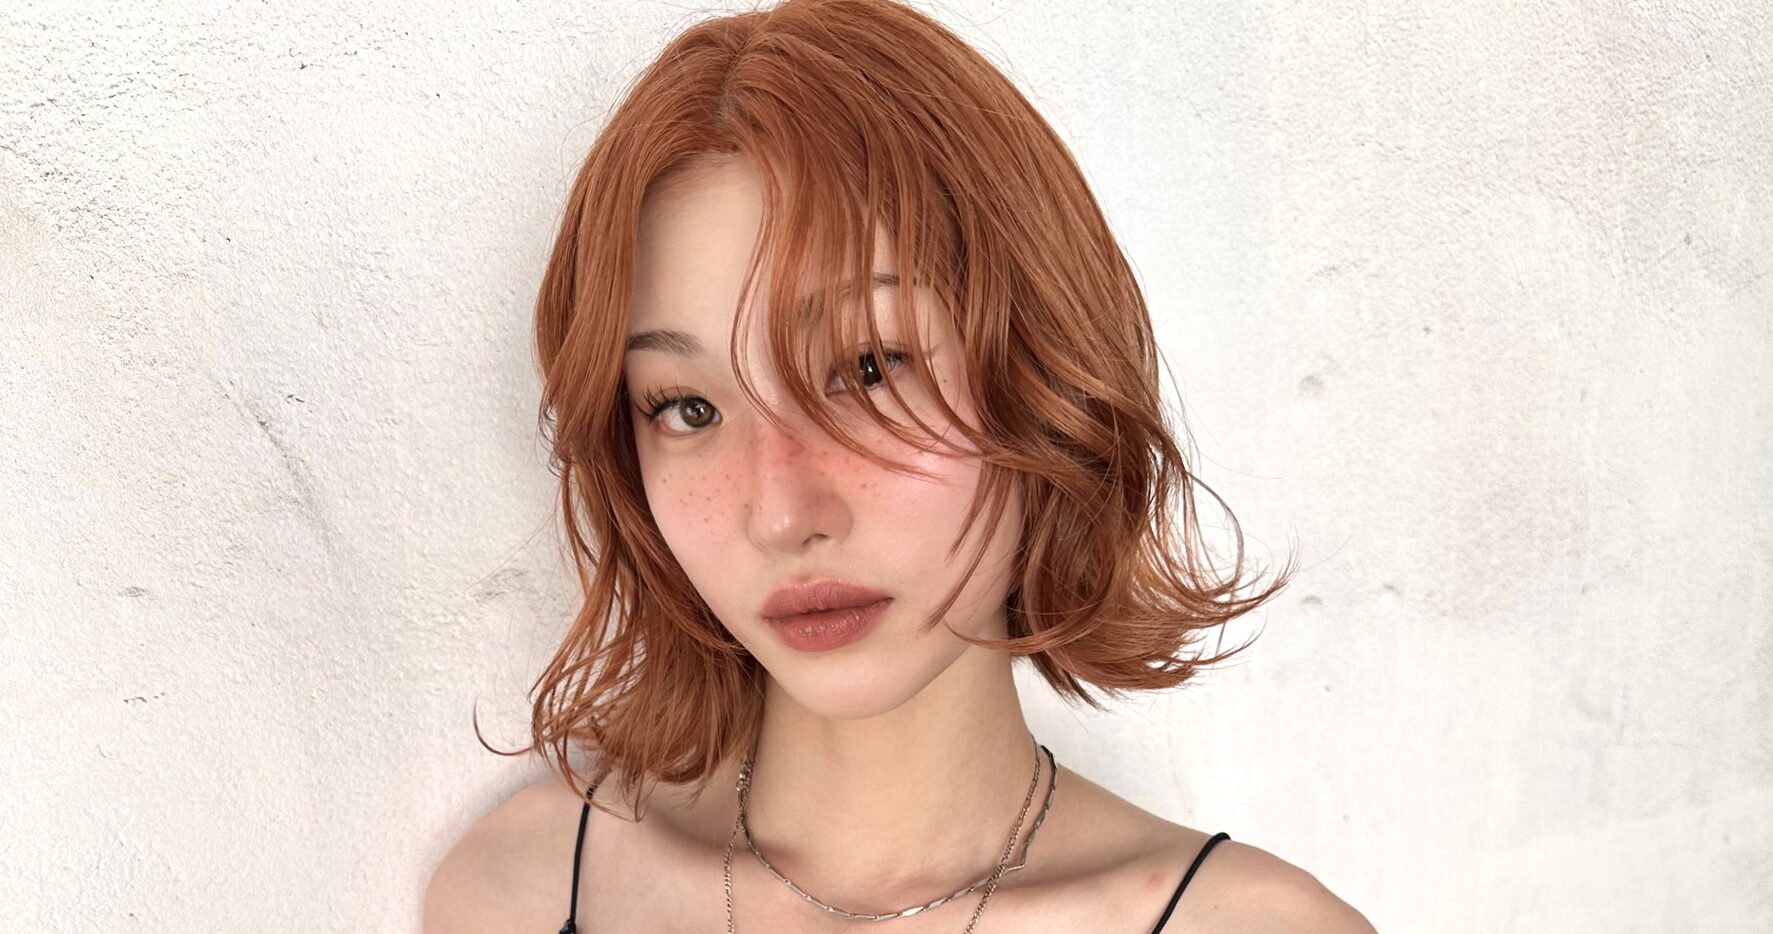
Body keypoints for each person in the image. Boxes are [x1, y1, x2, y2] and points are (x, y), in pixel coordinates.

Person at [425, 0, 1374, 930]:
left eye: (868, 369)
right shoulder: (523, 893)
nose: (782, 511)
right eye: (689, 408)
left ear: (1041, 371)